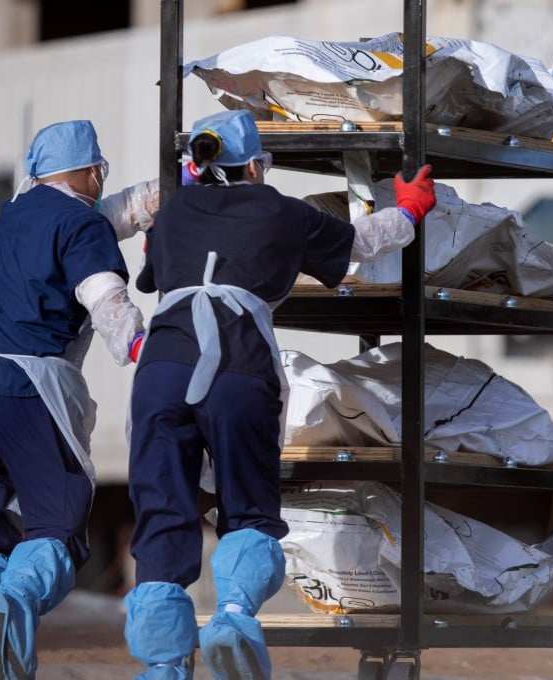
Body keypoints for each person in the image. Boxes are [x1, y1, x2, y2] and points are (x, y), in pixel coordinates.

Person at [122, 108, 436, 680]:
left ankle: (164, 665)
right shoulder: (281, 211)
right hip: (237, 367)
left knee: (164, 508)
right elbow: (364, 243)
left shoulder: (171, 212)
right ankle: (233, 619)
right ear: (257, 167)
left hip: (163, 370)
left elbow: (155, 274)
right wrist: (410, 208)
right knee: (248, 508)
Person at [0, 119, 158, 679]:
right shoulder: (83, 229)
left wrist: (160, 194)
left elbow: (92, 219)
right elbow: (102, 293)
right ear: (89, 170)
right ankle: (11, 606)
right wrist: (141, 347)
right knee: (56, 529)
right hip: (29, 395)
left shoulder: (18, 213)